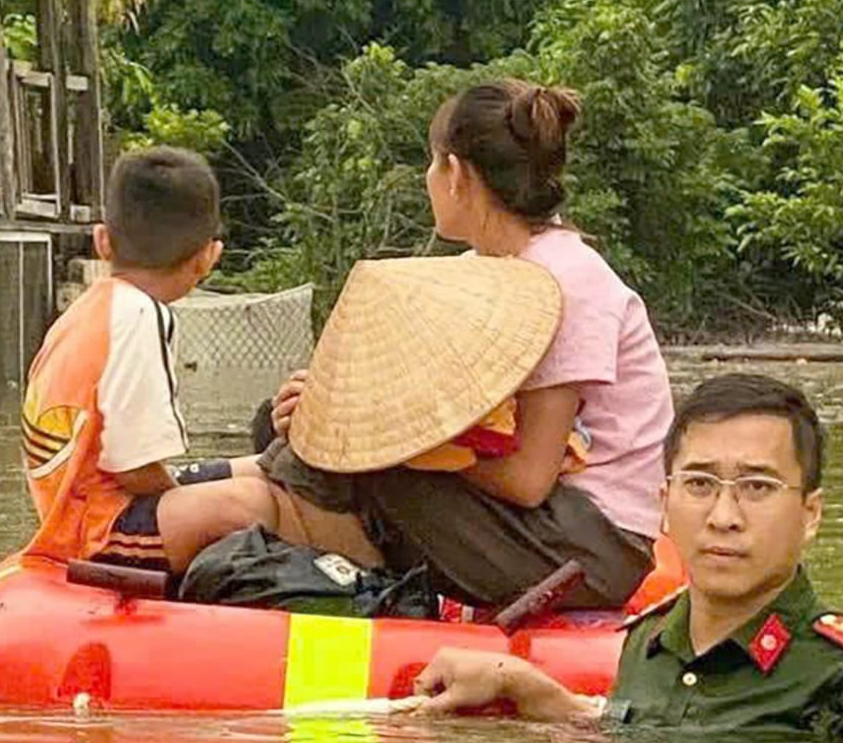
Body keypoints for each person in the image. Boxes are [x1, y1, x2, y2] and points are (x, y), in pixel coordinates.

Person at [164, 79, 674, 610]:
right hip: (534, 521)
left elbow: (527, 479)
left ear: (455, 174)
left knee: (348, 458)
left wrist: (387, 439)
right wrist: (321, 407)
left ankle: (205, 519)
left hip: (588, 544)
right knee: (294, 423)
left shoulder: (568, 281)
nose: (428, 180)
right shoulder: (476, 272)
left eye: (431, 165)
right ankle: (204, 492)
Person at [413, 374, 843, 743]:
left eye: (757, 488)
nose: (723, 516)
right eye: (699, 485)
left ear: (810, 514)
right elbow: (628, 731)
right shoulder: (648, 645)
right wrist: (519, 684)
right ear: (664, 504)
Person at [19, 147, 226, 572]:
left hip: (77, 509)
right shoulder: (139, 315)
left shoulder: (90, 308)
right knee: (254, 503)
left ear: (102, 242)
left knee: (253, 470)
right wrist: (186, 501)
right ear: (209, 256)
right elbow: (134, 469)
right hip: (95, 527)